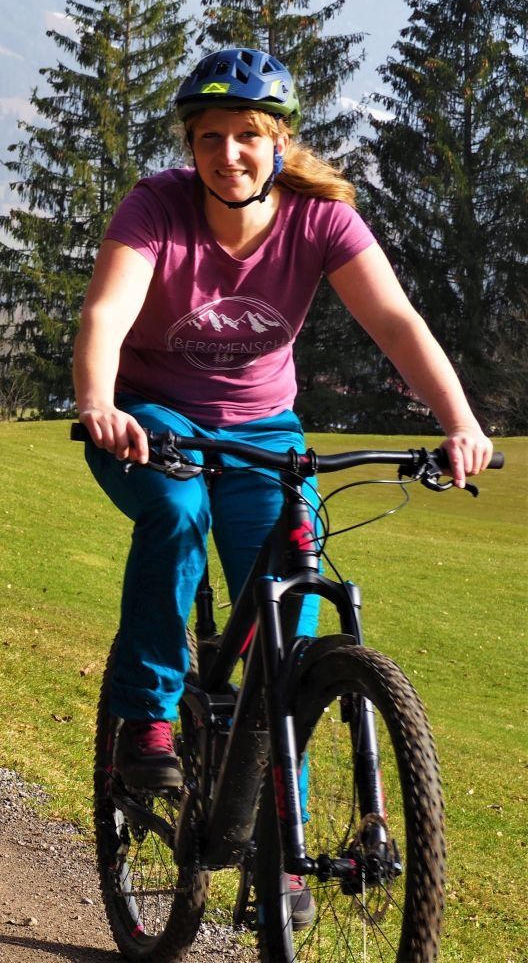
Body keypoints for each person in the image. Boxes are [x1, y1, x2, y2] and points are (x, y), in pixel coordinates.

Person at [73, 47, 493, 922]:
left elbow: (395, 322)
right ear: (190, 146)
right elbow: (108, 311)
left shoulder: (322, 220)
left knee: (291, 621)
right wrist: (101, 403)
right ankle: (149, 719)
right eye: (210, 138)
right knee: (180, 517)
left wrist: (459, 422)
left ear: (280, 142)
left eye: (248, 138)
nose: (228, 154)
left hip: (266, 431)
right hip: (155, 417)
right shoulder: (157, 207)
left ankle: (280, 850)